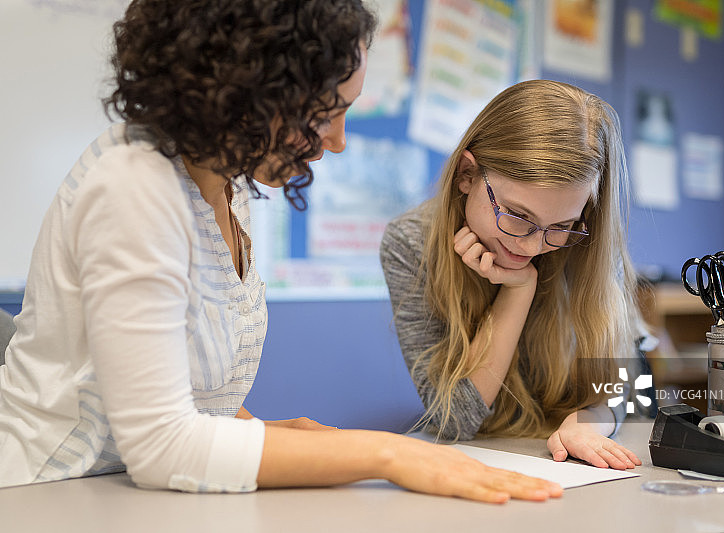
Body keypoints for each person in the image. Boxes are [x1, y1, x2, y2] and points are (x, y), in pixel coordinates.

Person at [0, 0, 563, 503]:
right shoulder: (133, 186)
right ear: (247, 87)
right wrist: (390, 454)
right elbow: (160, 445)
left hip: (128, 497)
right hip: (48, 492)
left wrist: (256, 429)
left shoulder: (227, 181)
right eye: (324, 111)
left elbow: (175, 382)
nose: (338, 140)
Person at [380, 80, 647, 470]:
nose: (532, 246)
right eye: (519, 217)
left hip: (566, 465)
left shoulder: (589, 241)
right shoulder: (410, 244)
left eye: (561, 224)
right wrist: (519, 290)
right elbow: (456, 417)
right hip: (481, 462)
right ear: (466, 174)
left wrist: (586, 424)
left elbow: (620, 387)